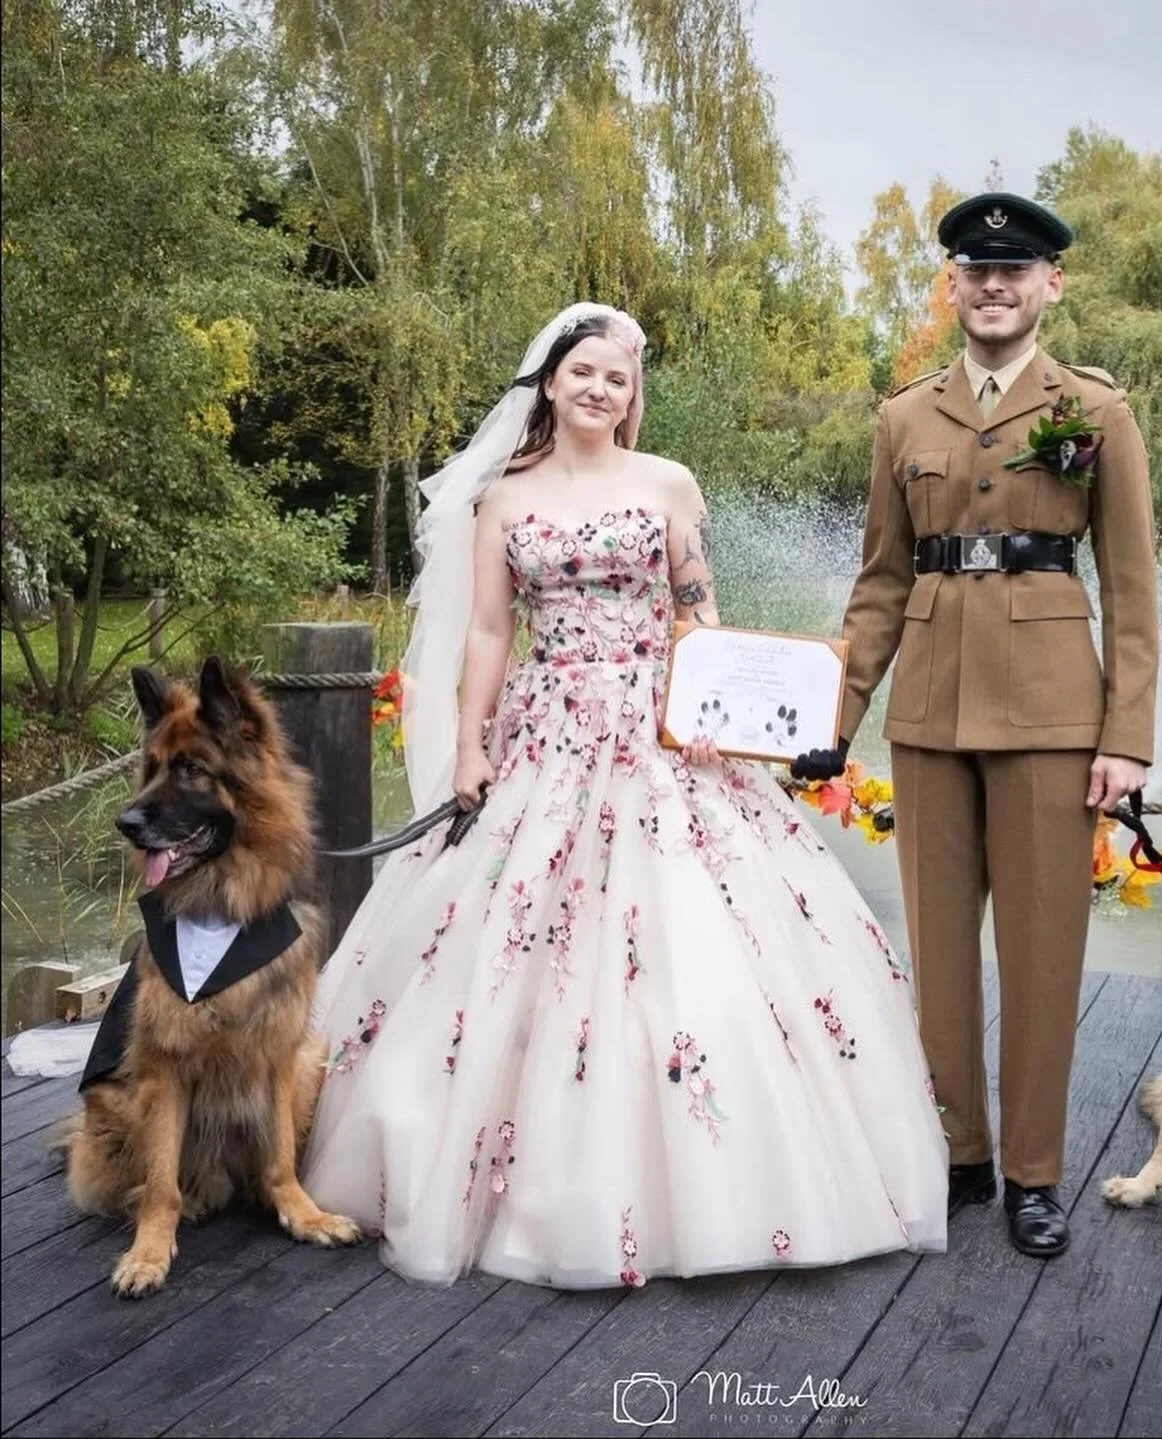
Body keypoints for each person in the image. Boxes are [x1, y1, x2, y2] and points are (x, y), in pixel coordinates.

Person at [299, 302, 948, 1289]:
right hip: (546, 728)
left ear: (630, 394)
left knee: (697, 935)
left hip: (660, 726)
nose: (600, 389)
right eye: (584, 372)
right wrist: (469, 746)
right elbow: (485, 634)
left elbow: (699, 612)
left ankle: (724, 1181)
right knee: (513, 939)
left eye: (617, 377)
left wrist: (740, 715)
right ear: (549, 382)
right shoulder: (505, 500)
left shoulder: (666, 483)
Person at [792, 195, 1160, 1258]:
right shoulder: (904, 416)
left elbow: (1131, 590)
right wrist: (835, 711)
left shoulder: (1093, 411)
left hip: (1053, 714)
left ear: (1048, 285)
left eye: (1015, 270)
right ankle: (957, 1152)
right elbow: (878, 583)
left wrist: (1123, 734)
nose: (993, 286)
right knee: (939, 954)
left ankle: (1033, 1174)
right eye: (974, 270)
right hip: (929, 716)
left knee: (1043, 954)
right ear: (952, 287)